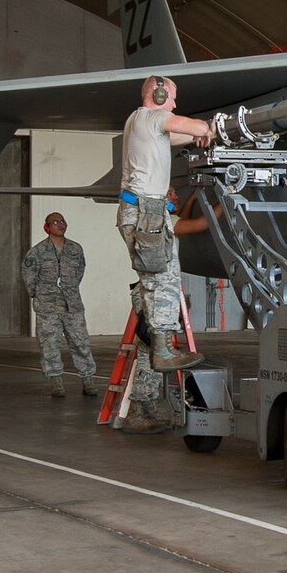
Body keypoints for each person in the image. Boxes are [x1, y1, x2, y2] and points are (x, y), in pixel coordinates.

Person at [118, 75, 209, 372]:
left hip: (143, 212)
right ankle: (162, 351)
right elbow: (192, 126)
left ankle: (157, 345)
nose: (174, 103)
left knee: (153, 281)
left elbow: (177, 135)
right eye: (171, 96)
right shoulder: (155, 115)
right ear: (157, 96)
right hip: (148, 214)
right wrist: (209, 127)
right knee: (164, 280)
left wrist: (199, 135)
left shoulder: (140, 120)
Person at [114, 185, 215, 434]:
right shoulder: (164, 220)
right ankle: (140, 410)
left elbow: (183, 216)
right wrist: (228, 202)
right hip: (154, 296)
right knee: (152, 353)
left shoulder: (167, 219)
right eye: (171, 193)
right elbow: (200, 224)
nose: (175, 195)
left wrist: (191, 197)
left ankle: (144, 409)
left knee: (153, 350)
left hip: (151, 292)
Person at [21, 211, 97, 398]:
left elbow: (79, 271)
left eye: (62, 221)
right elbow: (28, 277)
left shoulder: (75, 249)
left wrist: (69, 290)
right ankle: (56, 382)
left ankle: (87, 380)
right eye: (55, 222)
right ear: (47, 227)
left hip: (72, 306)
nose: (60, 224)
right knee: (50, 345)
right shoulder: (37, 252)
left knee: (81, 343)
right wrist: (38, 295)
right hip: (47, 308)